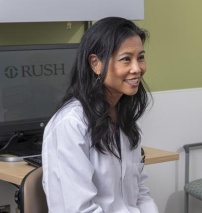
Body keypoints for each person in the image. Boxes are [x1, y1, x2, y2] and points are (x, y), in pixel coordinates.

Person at [42, 17, 159, 213]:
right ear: (95, 63)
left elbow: (140, 193)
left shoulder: (123, 119)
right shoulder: (71, 124)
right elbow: (79, 209)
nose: (137, 68)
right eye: (125, 59)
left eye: (140, 57)